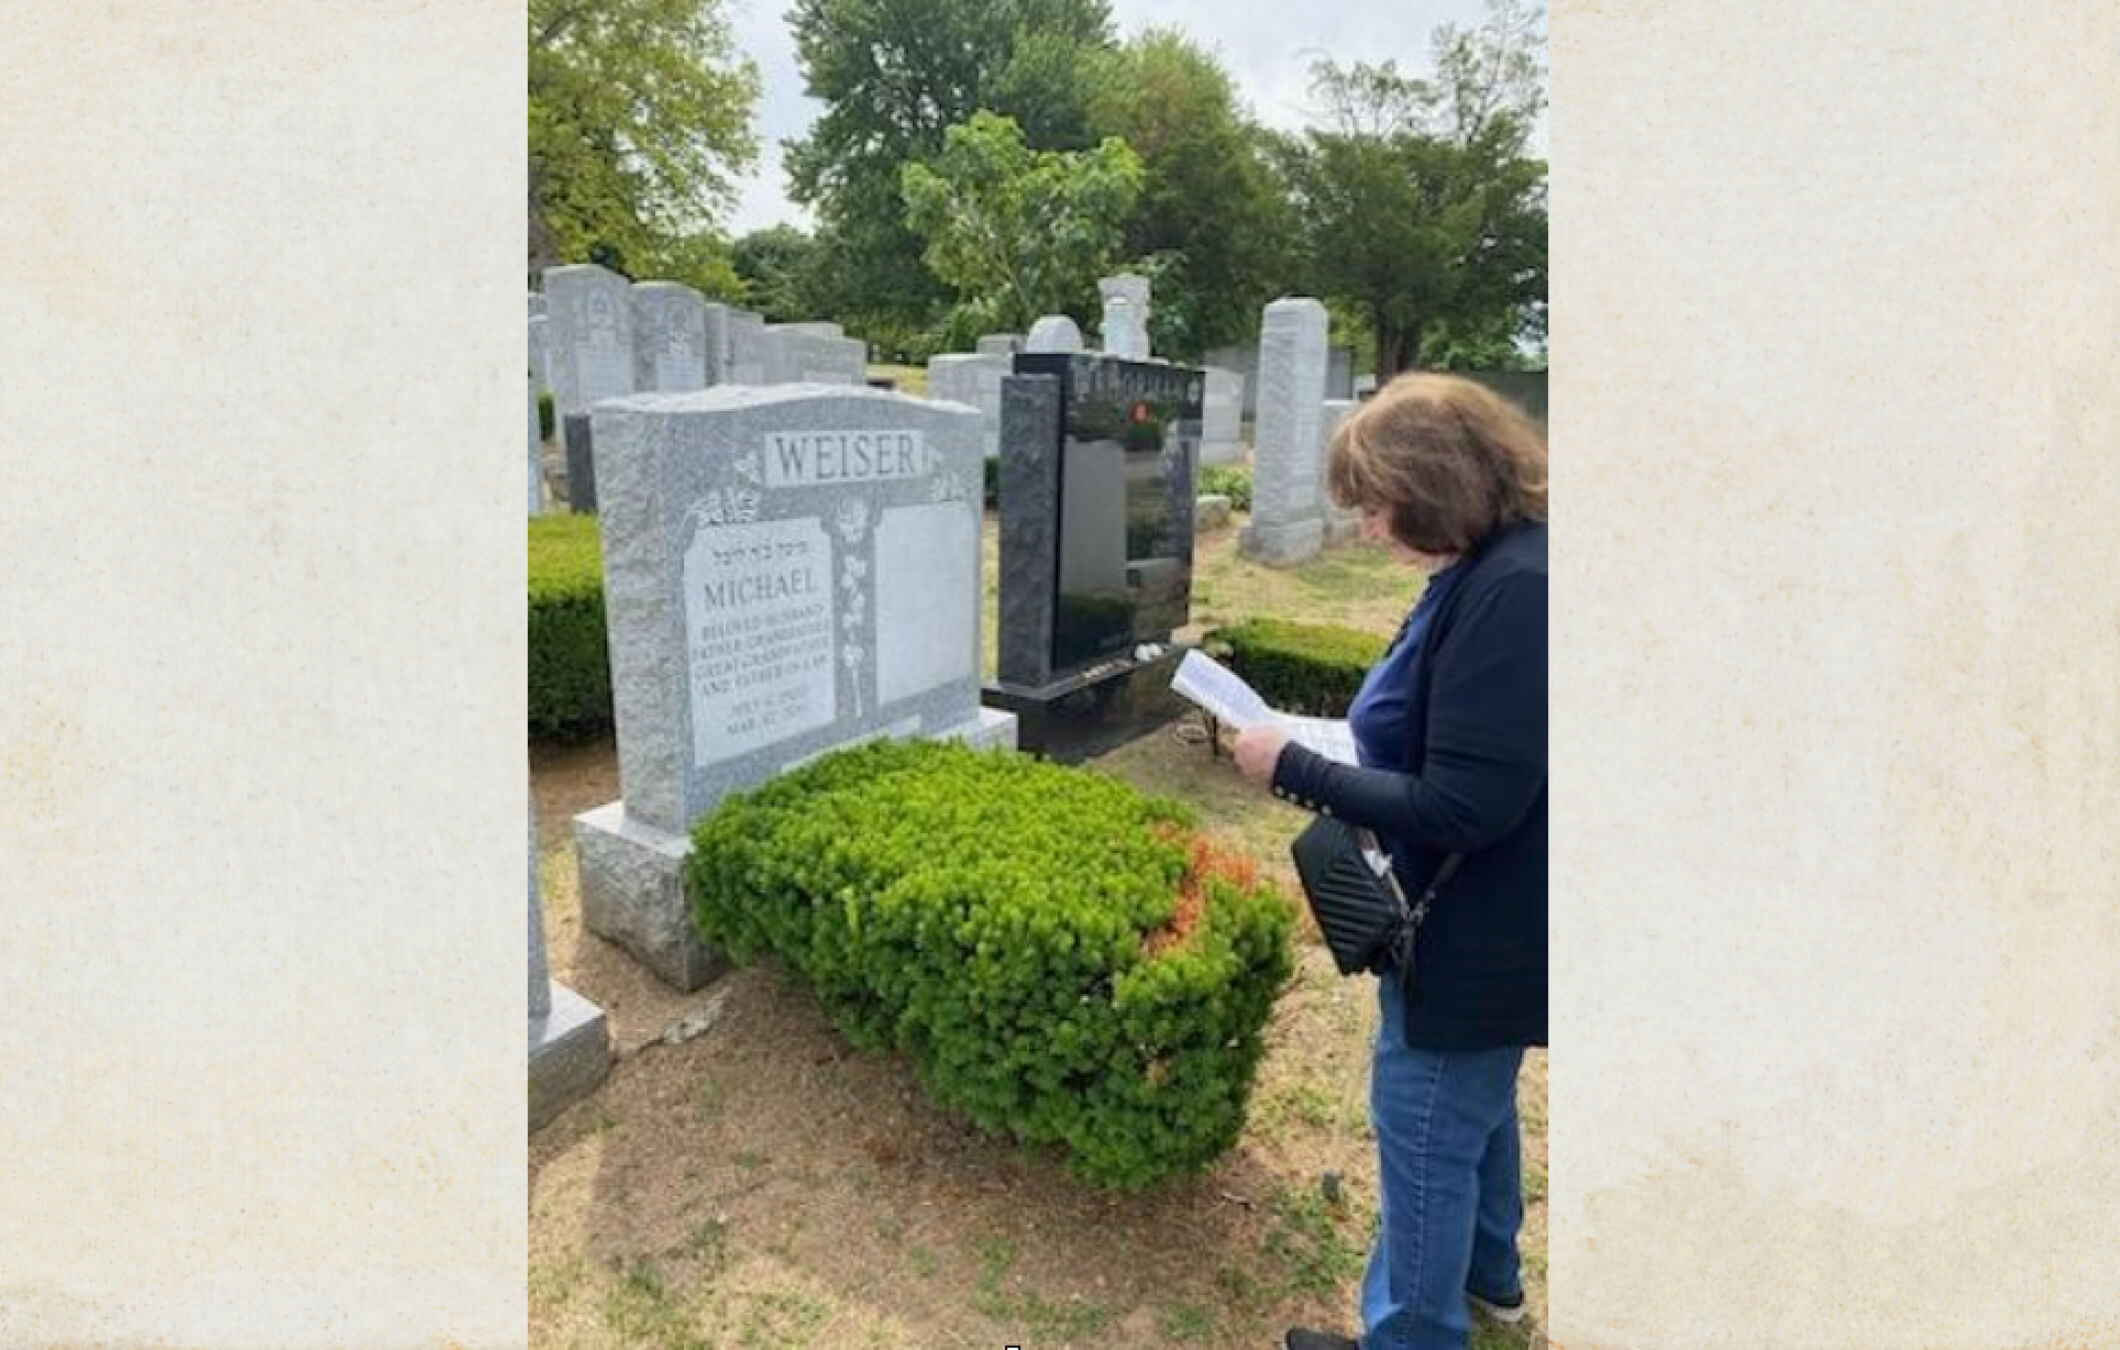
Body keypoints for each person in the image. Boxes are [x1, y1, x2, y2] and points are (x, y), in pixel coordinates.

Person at [1232, 373, 1548, 1350]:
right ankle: (1489, 1285)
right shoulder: (1487, 569)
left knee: (1422, 1130)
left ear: (1437, 485)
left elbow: (1463, 807)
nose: (1367, 529)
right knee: (1473, 1112)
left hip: (1472, 936)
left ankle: (1412, 1335)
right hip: (1487, 924)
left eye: (1375, 507)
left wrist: (1292, 766)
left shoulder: (1513, 592)